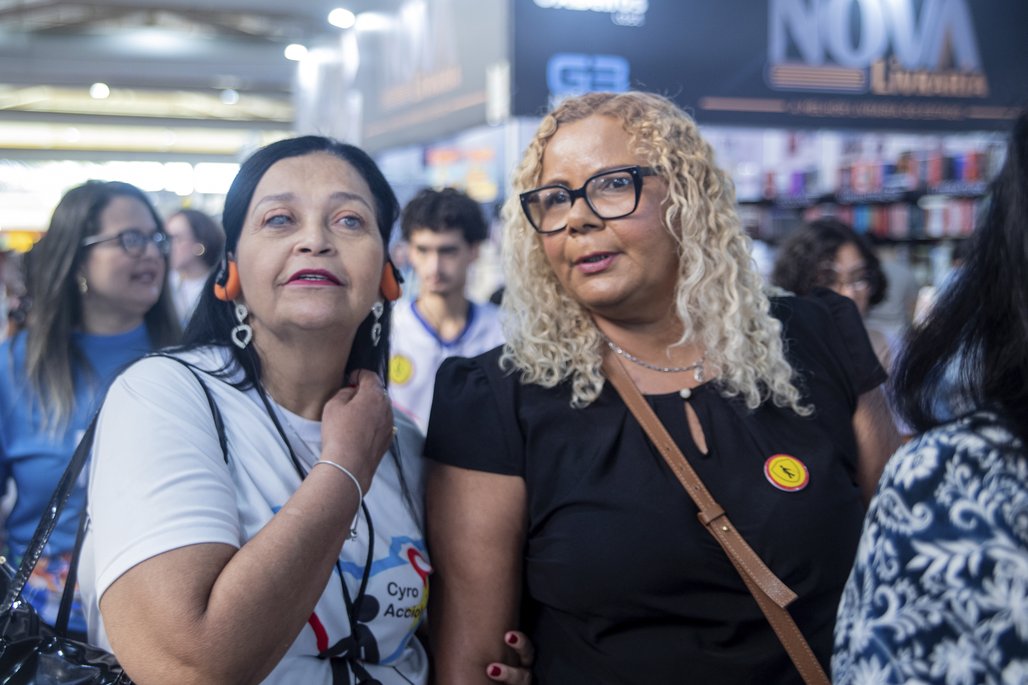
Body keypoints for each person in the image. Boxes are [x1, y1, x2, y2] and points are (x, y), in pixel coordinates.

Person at [424, 91, 901, 684]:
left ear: (686, 195)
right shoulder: (498, 400)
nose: (577, 218)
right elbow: (473, 665)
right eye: (555, 198)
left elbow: (908, 559)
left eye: (612, 185)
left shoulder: (818, 338)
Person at [77, 136, 530, 685]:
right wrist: (344, 469)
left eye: (349, 221)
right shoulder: (163, 397)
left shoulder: (402, 441)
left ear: (387, 276)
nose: (314, 240)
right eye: (279, 220)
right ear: (231, 268)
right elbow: (188, 667)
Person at [832, 110, 1028, 684]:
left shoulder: (952, 476)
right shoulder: (952, 474)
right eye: (833, 278)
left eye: (858, 278)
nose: (849, 292)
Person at [0, 180, 179, 636]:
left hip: (174, 623)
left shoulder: (196, 363)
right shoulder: (14, 367)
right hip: (48, 633)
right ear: (78, 258)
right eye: (130, 239)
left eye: (157, 238)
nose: (151, 253)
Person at [388, 187, 504, 433]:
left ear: (474, 250)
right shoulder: (387, 332)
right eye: (423, 250)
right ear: (409, 251)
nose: (434, 266)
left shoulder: (503, 331)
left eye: (447, 251)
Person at [772, 217, 893, 369]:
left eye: (859, 278)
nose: (849, 294)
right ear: (799, 285)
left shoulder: (891, 349)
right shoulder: (778, 355)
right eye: (830, 280)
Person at [165, 207, 226, 326]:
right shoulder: (166, 282)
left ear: (200, 244)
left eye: (176, 238)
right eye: (166, 238)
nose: (169, 245)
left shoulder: (220, 287)